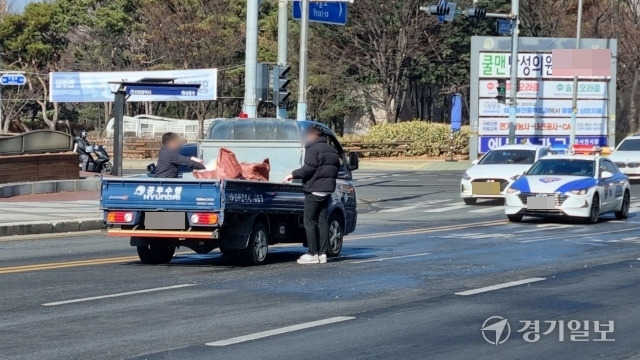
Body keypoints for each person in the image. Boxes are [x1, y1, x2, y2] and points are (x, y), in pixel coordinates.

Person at [283, 124, 340, 265]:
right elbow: (336, 167)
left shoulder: (312, 149)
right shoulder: (332, 150)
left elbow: (308, 169)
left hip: (314, 190)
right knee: (322, 221)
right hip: (327, 191)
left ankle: (312, 253)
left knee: (309, 221)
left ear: (313, 135)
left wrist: (292, 174)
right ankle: (323, 254)